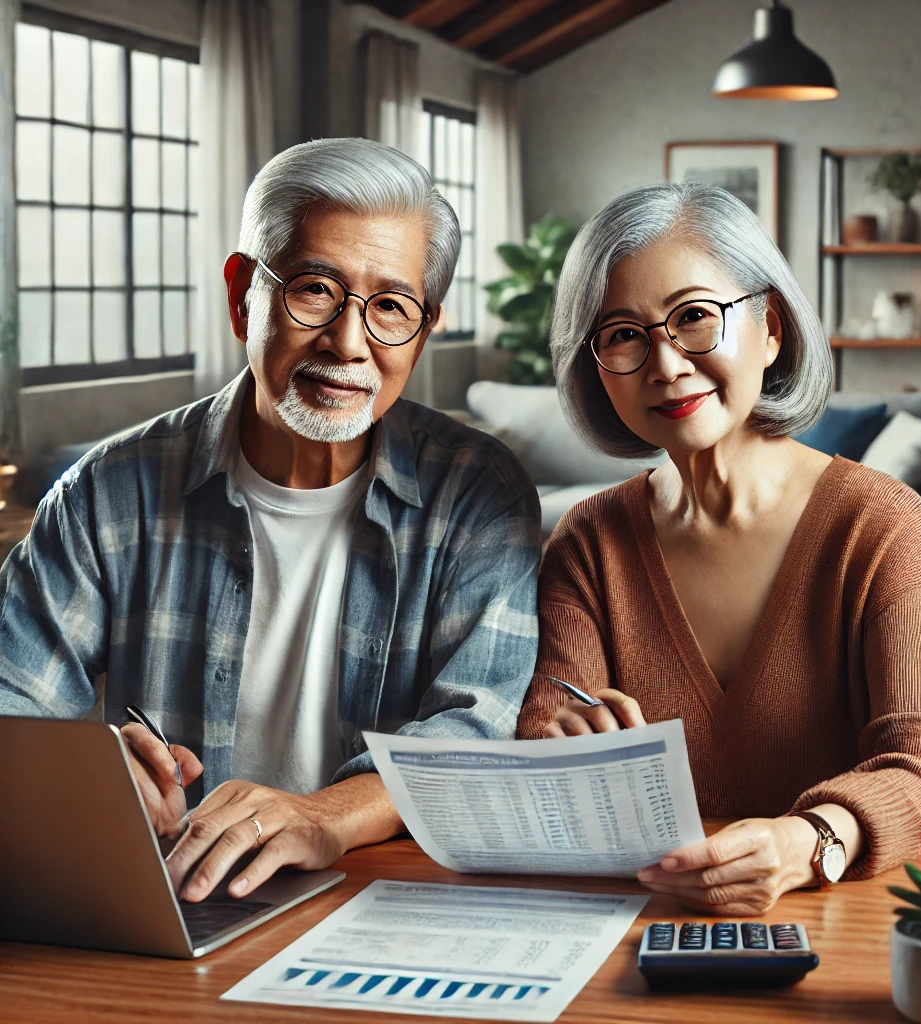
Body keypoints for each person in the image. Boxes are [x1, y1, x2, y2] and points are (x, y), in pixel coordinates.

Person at [0, 138, 540, 902]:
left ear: (423, 331)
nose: (348, 343)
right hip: (178, 899)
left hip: (386, 897)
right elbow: (10, 698)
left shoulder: (479, 494)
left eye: (391, 307)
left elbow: (478, 730)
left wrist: (324, 816)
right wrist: (86, 771)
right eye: (314, 290)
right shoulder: (110, 492)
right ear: (241, 295)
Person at [516, 181, 921, 914]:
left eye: (694, 316)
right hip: (639, 923)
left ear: (771, 329)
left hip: (832, 924)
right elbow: (543, 734)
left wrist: (809, 840)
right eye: (623, 334)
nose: (665, 364)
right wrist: (558, 746)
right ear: (595, 367)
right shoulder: (588, 542)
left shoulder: (884, 526)